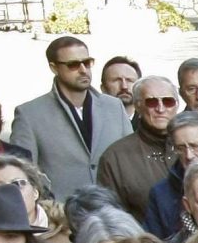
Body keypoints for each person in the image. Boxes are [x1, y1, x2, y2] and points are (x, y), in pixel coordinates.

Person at [10, 36, 130, 198]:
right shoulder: (29, 114)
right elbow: (22, 173)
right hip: (61, 214)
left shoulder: (114, 107)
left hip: (114, 212)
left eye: (87, 62)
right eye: (73, 64)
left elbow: (131, 158)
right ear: (54, 67)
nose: (83, 70)